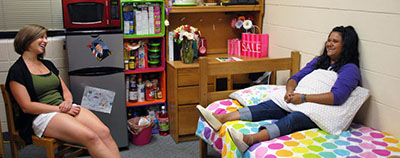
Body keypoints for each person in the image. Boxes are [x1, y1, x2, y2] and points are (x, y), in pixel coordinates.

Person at [196, 25, 361, 154]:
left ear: (346, 46)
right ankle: (223, 118)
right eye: (329, 40)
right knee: (270, 106)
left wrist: (303, 98)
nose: (329, 44)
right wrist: (290, 91)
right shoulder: (320, 61)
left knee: (293, 119)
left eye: (335, 41)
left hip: (319, 109)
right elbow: (295, 78)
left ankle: (249, 139)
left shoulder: (350, 69)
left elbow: (337, 97)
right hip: (301, 99)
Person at [5, 24, 120, 158]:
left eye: (46, 37)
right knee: (90, 137)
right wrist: (61, 109)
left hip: (64, 107)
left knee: (104, 131)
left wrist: (68, 101)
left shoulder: (48, 64)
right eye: (41, 37)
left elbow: (65, 91)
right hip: (42, 116)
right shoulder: (17, 71)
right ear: (27, 40)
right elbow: (27, 107)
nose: (45, 41)